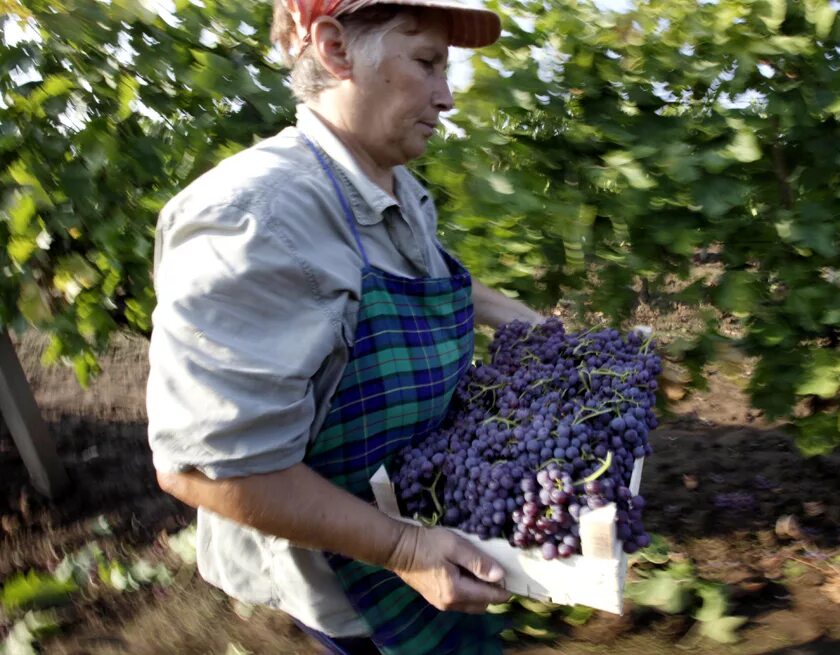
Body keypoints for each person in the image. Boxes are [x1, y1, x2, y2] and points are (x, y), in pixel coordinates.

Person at [146, 1, 544, 653]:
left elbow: (431, 276)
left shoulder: (393, 185)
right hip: (356, 580)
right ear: (334, 49)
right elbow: (207, 468)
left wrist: (535, 328)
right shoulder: (251, 220)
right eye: (427, 63)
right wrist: (405, 548)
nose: (446, 97)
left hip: (432, 530)